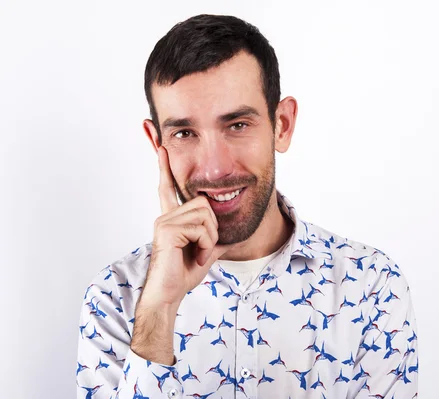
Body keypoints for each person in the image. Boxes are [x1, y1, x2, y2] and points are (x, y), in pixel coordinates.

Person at [76, 14, 418, 399]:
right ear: (157, 143)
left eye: (237, 124)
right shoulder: (113, 297)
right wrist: (159, 309)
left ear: (282, 125)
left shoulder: (370, 286)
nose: (215, 168)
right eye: (184, 133)